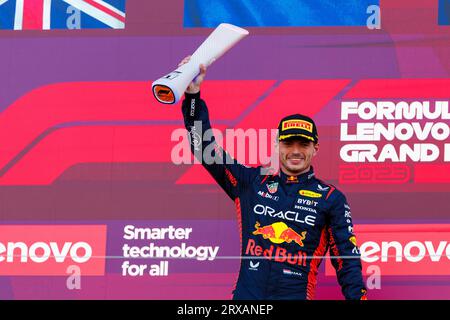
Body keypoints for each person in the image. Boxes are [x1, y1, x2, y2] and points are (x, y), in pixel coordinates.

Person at [179, 56, 367, 300]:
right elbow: (204, 150)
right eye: (289, 143)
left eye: (304, 144)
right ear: (277, 146)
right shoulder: (252, 183)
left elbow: (347, 261)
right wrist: (193, 97)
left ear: (316, 148)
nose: (296, 150)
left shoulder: (331, 198)